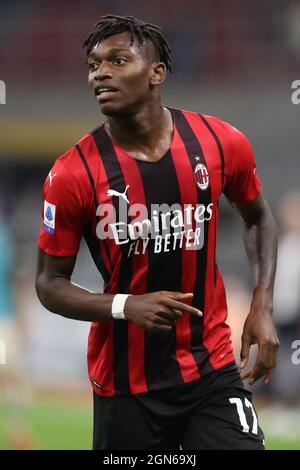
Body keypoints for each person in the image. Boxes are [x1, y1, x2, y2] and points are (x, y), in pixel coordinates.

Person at [35, 14, 279, 450]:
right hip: (126, 384)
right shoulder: (72, 174)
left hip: (211, 367)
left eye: (117, 60)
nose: (100, 73)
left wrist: (261, 304)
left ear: (156, 73)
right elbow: (49, 284)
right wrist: (125, 306)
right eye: (93, 65)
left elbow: (258, 217)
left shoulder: (219, 142)